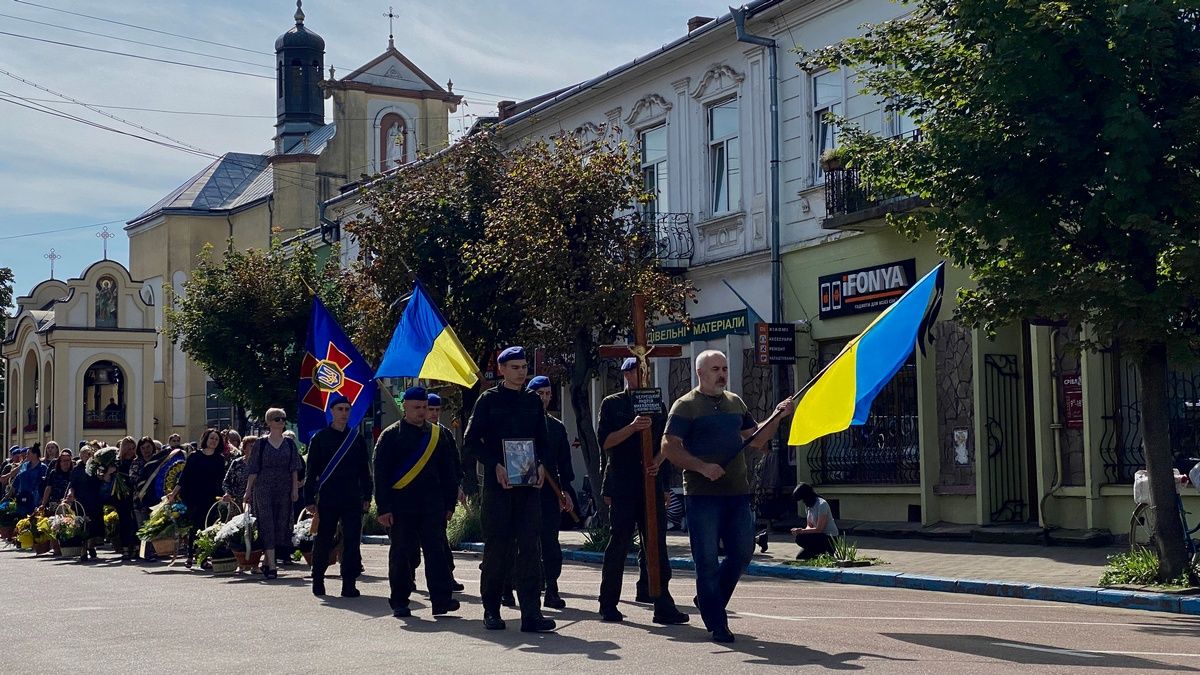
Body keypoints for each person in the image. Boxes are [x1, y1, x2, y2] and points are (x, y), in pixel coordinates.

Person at [662, 349, 794, 643]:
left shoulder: (735, 403)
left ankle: (709, 599)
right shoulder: (685, 406)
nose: (721, 374)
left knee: (742, 552)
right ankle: (717, 623)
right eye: (715, 369)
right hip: (702, 495)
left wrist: (777, 416)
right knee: (706, 559)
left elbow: (757, 439)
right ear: (700, 373)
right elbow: (670, 447)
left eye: (724, 368)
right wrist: (702, 467)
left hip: (737, 492)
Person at [462, 346, 555, 633]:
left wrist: (541, 465)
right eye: (515, 367)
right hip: (499, 486)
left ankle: (531, 613)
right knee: (497, 549)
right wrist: (495, 465)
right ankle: (492, 609)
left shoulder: (532, 401)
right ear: (502, 369)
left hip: (528, 487)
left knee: (529, 548)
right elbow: (471, 442)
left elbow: (544, 441)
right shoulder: (488, 400)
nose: (521, 371)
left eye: (524, 366)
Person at [596, 358, 689, 625]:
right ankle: (608, 603)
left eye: (645, 370)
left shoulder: (656, 403)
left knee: (656, 545)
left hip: (650, 484)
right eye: (637, 371)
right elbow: (606, 442)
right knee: (619, 544)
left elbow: (668, 441)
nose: (642, 375)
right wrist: (632, 427)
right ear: (627, 374)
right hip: (623, 484)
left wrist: (659, 463)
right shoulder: (612, 403)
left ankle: (663, 604)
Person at [374, 387, 460, 618]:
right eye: (417, 407)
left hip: (433, 504)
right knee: (402, 554)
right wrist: (384, 508)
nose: (422, 412)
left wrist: (450, 504)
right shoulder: (391, 435)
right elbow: (380, 474)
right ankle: (400, 601)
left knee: (437, 553)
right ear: (405, 407)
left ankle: (441, 600)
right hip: (402, 505)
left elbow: (448, 471)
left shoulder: (437, 435)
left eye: (424, 407)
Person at [303, 396, 372, 599]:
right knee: (324, 540)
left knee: (351, 541)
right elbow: (311, 471)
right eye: (340, 409)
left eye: (347, 409)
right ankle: (318, 579)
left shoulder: (356, 439)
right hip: (328, 498)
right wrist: (309, 500)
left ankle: (348, 584)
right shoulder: (320, 438)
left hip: (351, 497)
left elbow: (364, 471)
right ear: (332, 412)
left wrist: (367, 494)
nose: (344, 413)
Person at [524, 376, 575, 610]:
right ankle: (514, 587)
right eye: (539, 393)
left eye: (547, 394)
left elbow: (564, 463)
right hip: (523, 491)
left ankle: (552, 588)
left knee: (550, 543)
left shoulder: (556, 427)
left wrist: (566, 491)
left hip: (549, 492)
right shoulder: (520, 422)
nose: (544, 398)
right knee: (523, 542)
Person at [244, 408, 304, 580]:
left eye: (283, 419)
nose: (281, 422)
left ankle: (266, 561)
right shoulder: (261, 444)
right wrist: (248, 490)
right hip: (263, 488)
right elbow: (254, 469)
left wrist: (294, 489)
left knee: (281, 524)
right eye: (277, 419)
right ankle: (272, 565)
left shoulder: (290, 444)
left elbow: (294, 468)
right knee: (266, 523)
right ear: (269, 422)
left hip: (284, 488)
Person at [427, 392, 466, 592]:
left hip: (439, 499)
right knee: (408, 549)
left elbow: (454, 466)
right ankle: (407, 578)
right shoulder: (409, 433)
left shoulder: (445, 434)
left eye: (437, 410)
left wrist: (457, 487)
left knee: (440, 541)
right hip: (413, 500)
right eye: (430, 409)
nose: (434, 414)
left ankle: (446, 577)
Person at [171, 429, 227, 568]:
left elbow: (222, 480)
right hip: (193, 496)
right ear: (206, 439)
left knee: (207, 527)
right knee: (195, 527)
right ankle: (191, 555)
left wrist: (224, 495)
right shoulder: (194, 456)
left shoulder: (220, 459)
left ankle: (202, 557)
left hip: (211, 498)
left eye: (216, 439)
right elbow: (184, 477)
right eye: (211, 438)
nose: (213, 441)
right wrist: (173, 494)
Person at [66, 448, 107, 562]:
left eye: (89, 454)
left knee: (94, 525)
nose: (87, 456)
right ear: (80, 456)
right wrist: (70, 494)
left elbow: (102, 480)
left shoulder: (96, 468)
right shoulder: (77, 470)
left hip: (95, 500)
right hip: (81, 501)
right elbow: (72, 485)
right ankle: (83, 550)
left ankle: (91, 546)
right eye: (84, 454)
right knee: (82, 525)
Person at [790, 483, 839, 559]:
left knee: (800, 538)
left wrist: (802, 531)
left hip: (829, 538)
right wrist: (801, 531)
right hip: (818, 536)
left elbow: (819, 529)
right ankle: (817, 552)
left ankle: (826, 551)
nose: (803, 501)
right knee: (800, 557)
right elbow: (809, 525)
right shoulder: (808, 506)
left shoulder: (822, 504)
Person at [112, 437, 140, 561]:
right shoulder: (118, 463)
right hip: (122, 496)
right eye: (128, 448)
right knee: (124, 521)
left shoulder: (137, 461)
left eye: (133, 448)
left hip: (135, 494)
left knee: (135, 522)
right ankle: (125, 548)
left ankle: (136, 547)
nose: (131, 451)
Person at [10, 445, 48, 517]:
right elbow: (17, 479)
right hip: (22, 497)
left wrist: (43, 499)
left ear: (35, 454)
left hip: (35, 499)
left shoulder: (43, 467)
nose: (26, 455)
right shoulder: (24, 466)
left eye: (28, 453)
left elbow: (46, 484)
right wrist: (9, 494)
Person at [222, 436, 257, 507]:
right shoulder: (236, 463)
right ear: (244, 448)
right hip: (237, 502)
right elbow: (226, 481)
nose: (255, 449)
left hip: (255, 503)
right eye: (251, 446)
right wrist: (227, 493)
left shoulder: (262, 464)